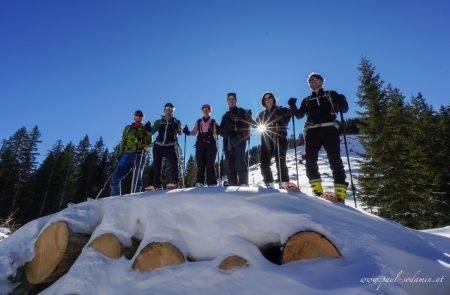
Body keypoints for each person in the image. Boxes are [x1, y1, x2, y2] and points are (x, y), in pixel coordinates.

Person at [288, 72, 349, 203]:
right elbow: (299, 115)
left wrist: (342, 102)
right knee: (310, 160)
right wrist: (293, 106)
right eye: (310, 81)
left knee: (335, 161)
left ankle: (340, 194)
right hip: (311, 131)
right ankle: (317, 191)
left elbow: (345, 109)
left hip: (329, 129)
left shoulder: (331, 94)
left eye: (315, 79)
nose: (312, 82)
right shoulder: (306, 100)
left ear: (322, 81)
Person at [110, 110, 152, 196]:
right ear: (134, 116)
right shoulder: (128, 128)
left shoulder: (145, 128)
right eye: (137, 115)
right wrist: (120, 154)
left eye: (141, 115)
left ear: (143, 118)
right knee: (115, 178)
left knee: (137, 178)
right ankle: (116, 199)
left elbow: (149, 143)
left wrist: (146, 137)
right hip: (127, 154)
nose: (138, 117)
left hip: (140, 154)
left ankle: (135, 197)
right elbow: (123, 142)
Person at [255, 92, 292, 188]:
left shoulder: (281, 110)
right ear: (263, 102)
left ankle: (283, 182)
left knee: (280, 161)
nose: (268, 100)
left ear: (273, 99)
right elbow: (255, 125)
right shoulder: (262, 114)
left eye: (269, 97)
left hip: (280, 137)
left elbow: (287, 118)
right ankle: (269, 183)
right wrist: (248, 118)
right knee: (264, 162)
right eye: (265, 99)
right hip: (266, 139)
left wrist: (288, 113)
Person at [219, 92, 252, 186]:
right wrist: (228, 128)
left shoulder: (242, 111)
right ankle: (232, 184)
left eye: (233, 99)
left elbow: (249, 125)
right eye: (229, 99)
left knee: (240, 162)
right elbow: (221, 132)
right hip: (228, 142)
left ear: (236, 100)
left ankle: (243, 184)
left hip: (239, 140)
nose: (231, 101)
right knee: (230, 165)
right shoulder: (225, 116)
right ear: (227, 102)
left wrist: (246, 119)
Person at [183, 104, 219, 187]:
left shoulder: (213, 121)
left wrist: (219, 130)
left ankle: (212, 182)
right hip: (200, 144)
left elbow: (216, 133)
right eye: (203, 109)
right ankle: (200, 182)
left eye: (207, 109)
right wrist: (187, 132)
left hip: (211, 144)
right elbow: (194, 132)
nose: (205, 110)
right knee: (200, 164)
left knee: (210, 164)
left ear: (210, 111)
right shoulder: (199, 121)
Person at [150, 102, 182, 190]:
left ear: (173, 111)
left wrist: (176, 126)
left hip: (170, 146)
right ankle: (157, 185)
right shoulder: (159, 121)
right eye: (167, 108)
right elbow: (151, 131)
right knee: (157, 165)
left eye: (171, 109)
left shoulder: (176, 121)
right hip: (158, 146)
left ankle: (175, 182)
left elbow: (180, 132)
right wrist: (147, 128)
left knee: (174, 164)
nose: (169, 110)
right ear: (164, 110)